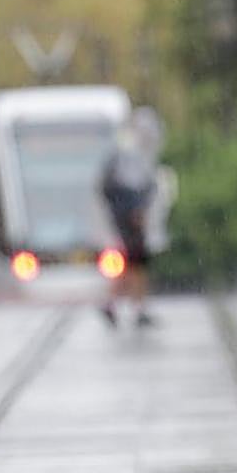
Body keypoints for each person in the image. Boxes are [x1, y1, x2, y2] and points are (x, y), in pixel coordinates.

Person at [100, 108, 161, 327]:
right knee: (134, 263)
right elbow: (129, 186)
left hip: (127, 218)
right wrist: (134, 211)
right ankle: (134, 307)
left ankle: (118, 304)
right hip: (130, 219)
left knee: (131, 264)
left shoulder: (129, 151)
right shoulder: (129, 153)